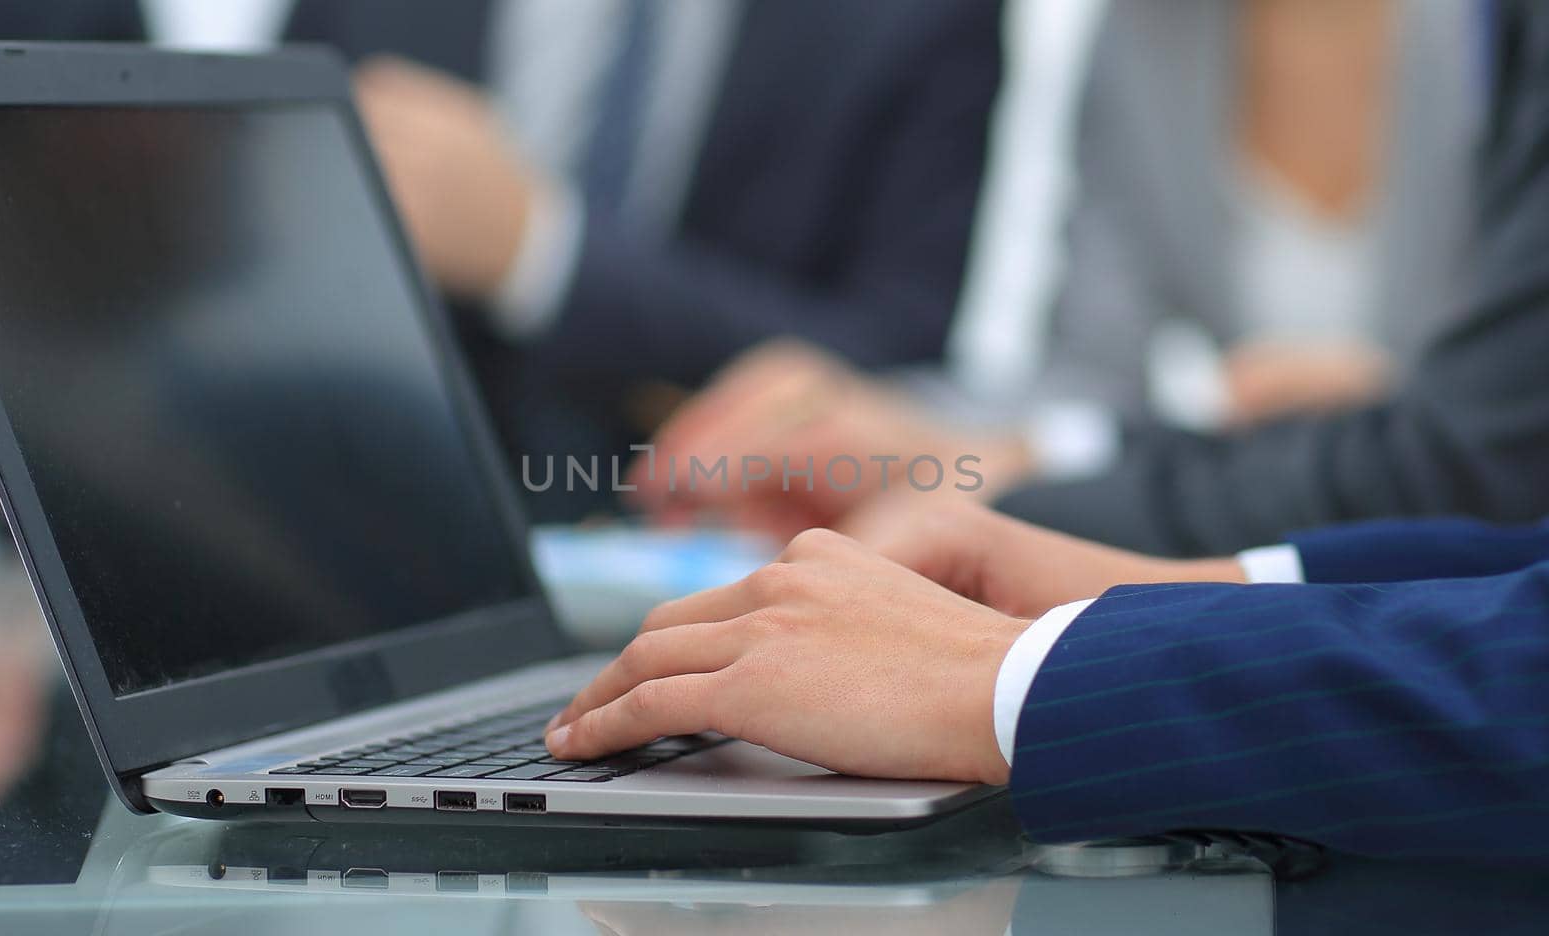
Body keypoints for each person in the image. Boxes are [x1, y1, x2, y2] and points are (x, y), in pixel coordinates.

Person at [542, 2, 1549, 858]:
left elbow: (1480, 459)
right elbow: (1526, 570)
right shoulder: (1142, 39)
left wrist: (1017, 675)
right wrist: (1134, 574)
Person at [627, 0, 1507, 551]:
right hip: (1265, 547)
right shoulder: (1142, 34)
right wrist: (905, 429)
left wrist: (1414, 401)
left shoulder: (1505, 32)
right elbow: (1094, 376)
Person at [286, 0, 1002, 520]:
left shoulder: (921, 19)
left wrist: (544, 251)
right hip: (368, 530)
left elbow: (893, 376)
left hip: (725, 573)